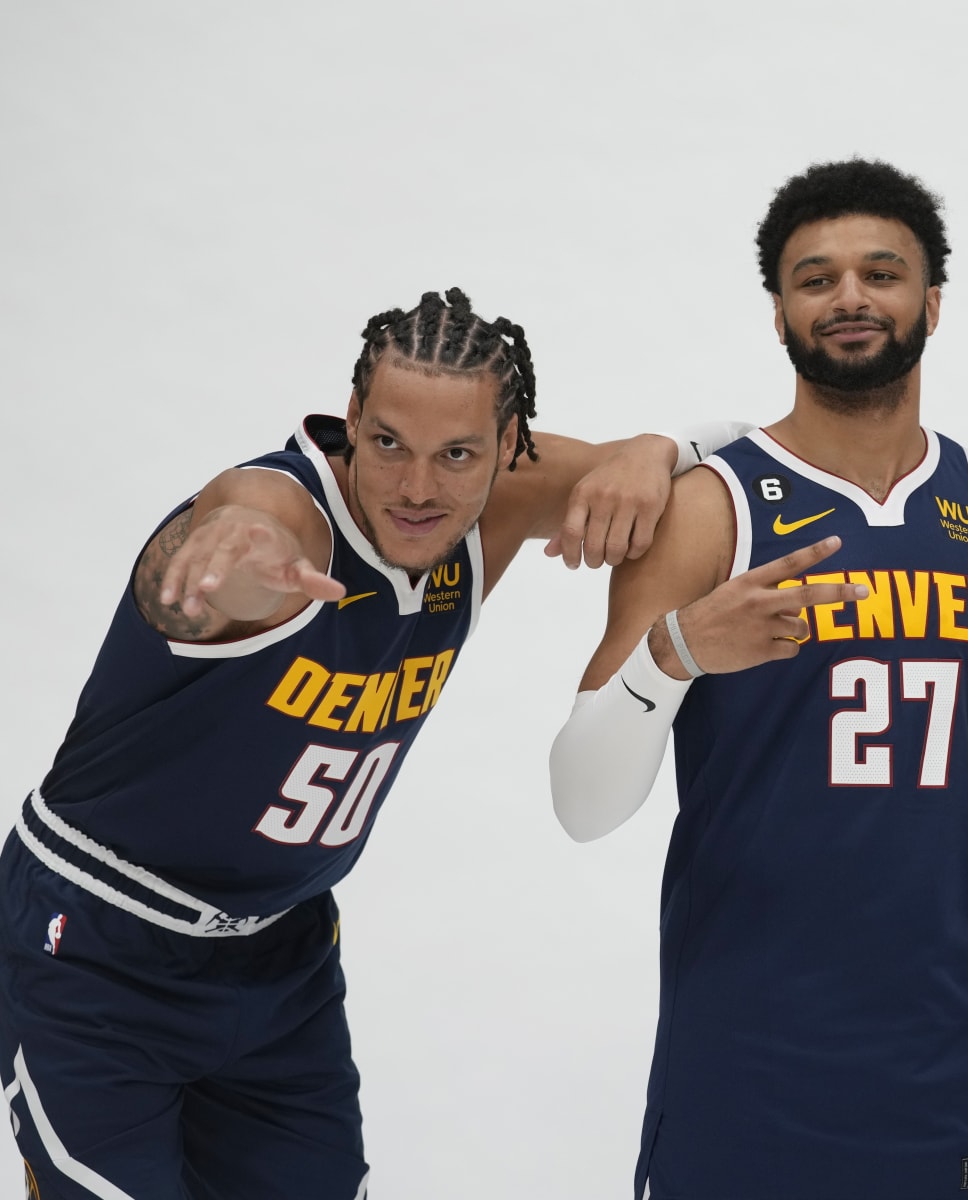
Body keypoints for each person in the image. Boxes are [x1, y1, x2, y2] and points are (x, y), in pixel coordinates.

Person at [549, 160, 968, 1200]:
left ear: (931, 302)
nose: (849, 297)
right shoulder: (708, 511)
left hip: (959, 1064)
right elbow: (582, 804)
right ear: (778, 314)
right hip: (748, 1063)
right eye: (815, 278)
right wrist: (675, 652)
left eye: (880, 272)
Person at [0, 287, 744, 1200]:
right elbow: (230, 531)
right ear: (352, 418)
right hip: (101, 944)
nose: (416, 486)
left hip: (282, 959)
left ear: (510, 449)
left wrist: (652, 451)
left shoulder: (496, 510)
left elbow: (742, 449)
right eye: (387, 442)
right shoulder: (289, 516)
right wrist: (229, 547)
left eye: (457, 453)